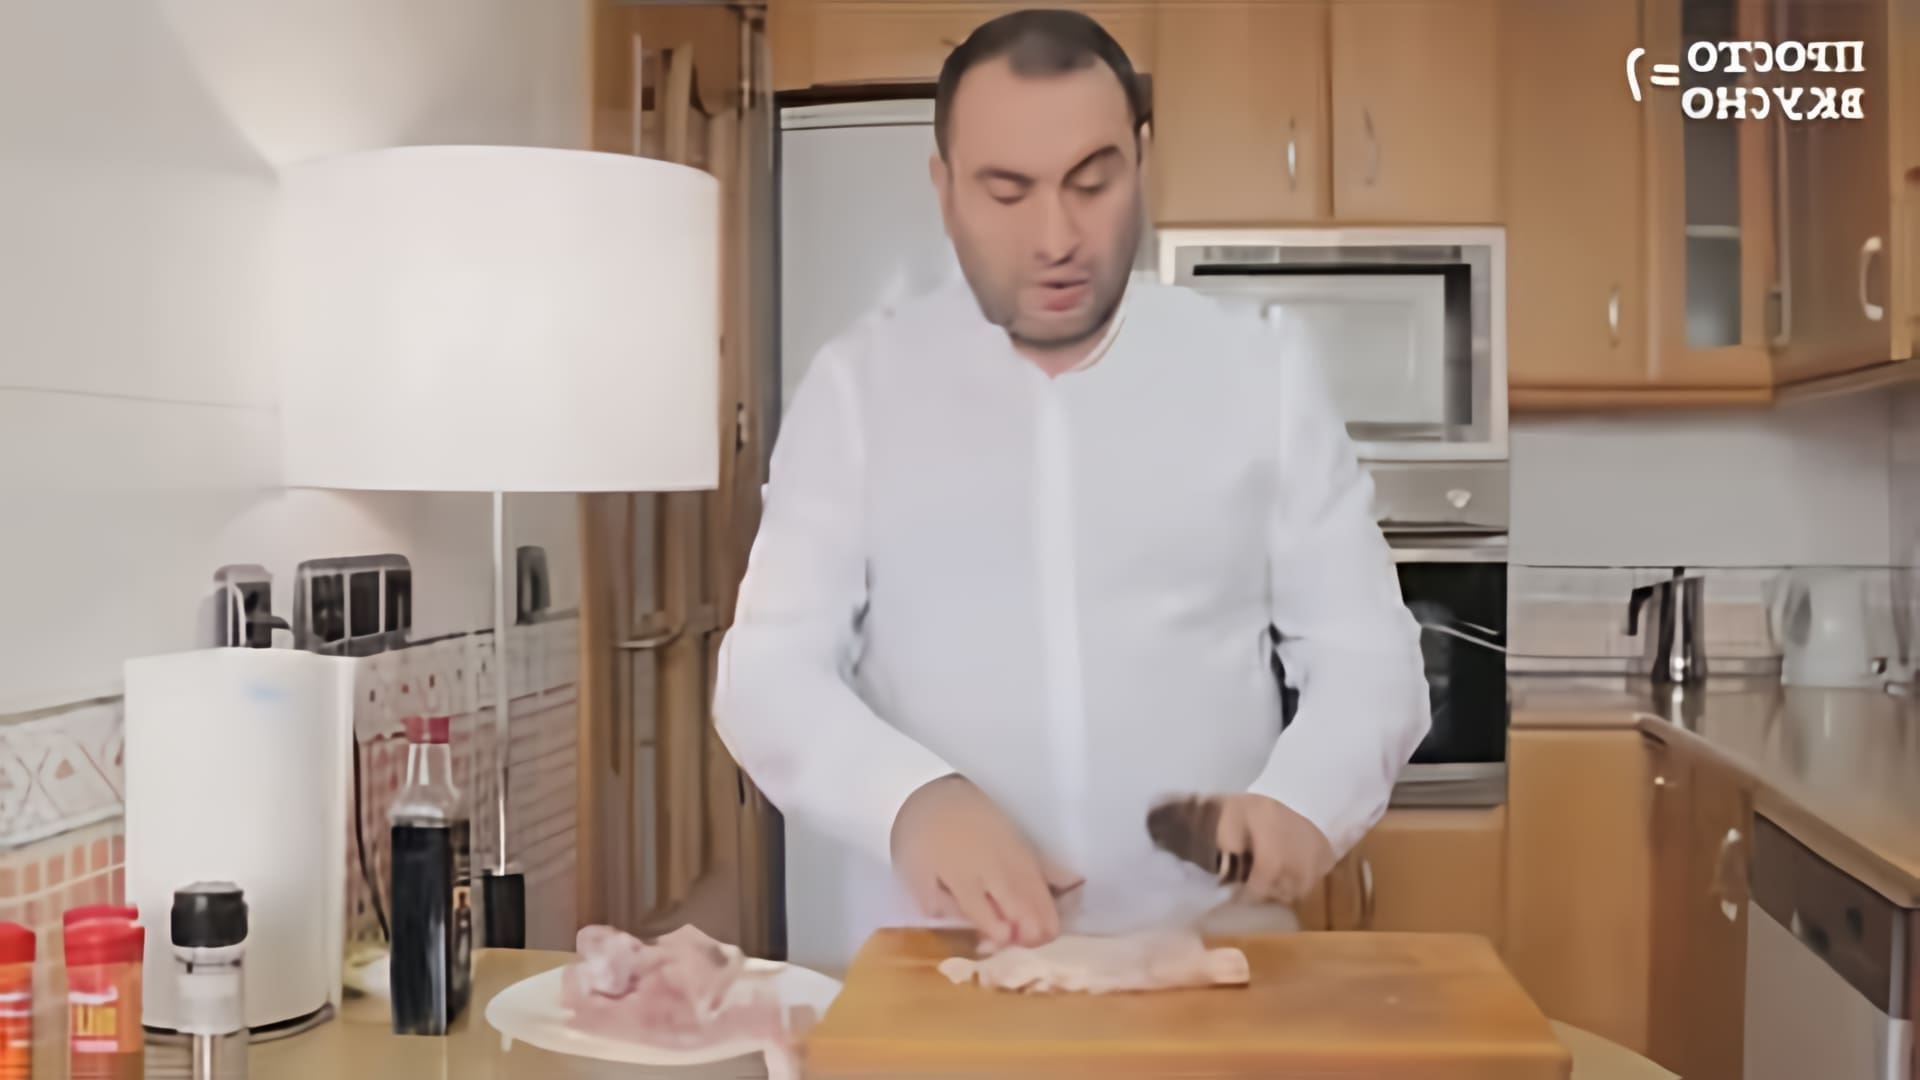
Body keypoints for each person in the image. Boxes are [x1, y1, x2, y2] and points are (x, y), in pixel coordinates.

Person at [713, 9, 1429, 960]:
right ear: (944, 190)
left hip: (1206, 960)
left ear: (1143, 163)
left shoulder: (1262, 375)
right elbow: (766, 675)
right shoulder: (858, 388)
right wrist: (909, 801)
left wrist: (1305, 801)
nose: (1056, 237)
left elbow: (1369, 660)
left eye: (1092, 184)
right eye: (1007, 192)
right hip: (939, 967)